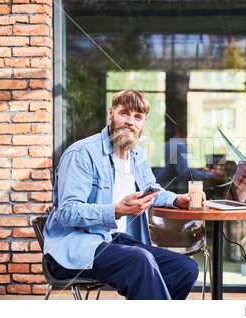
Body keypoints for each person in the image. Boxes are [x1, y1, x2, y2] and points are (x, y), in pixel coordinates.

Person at [43, 90, 203, 300]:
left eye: (137, 117)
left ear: (143, 122)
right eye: (124, 113)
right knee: (141, 260)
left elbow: (151, 190)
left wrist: (177, 199)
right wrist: (117, 210)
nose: (130, 121)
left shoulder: (136, 154)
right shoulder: (81, 154)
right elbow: (67, 212)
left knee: (185, 268)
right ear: (111, 113)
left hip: (115, 242)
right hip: (76, 246)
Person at [157, 120, 223, 190]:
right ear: (188, 132)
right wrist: (212, 175)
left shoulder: (166, 145)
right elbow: (184, 171)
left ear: (176, 130)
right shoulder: (180, 147)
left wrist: (202, 171)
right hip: (166, 188)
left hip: (160, 186)